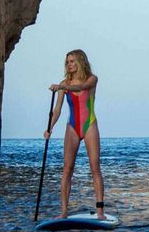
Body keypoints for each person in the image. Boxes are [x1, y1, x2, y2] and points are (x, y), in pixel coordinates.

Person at [45, 48, 106, 218]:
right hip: (72, 127)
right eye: (67, 62)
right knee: (67, 169)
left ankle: (100, 211)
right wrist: (49, 128)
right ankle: (64, 212)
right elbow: (57, 110)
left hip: (89, 125)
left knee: (95, 168)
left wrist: (62, 86)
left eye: (72, 61)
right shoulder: (64, 83)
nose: (69, 64)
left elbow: (82, 86)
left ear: (80, 62)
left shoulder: (92, 79)